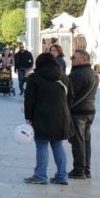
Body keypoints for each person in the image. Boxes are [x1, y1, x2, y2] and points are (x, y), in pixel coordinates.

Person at [24, 52, 74, 185]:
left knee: (41, 145)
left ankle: (40, 176)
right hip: (62, 116)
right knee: (58, 145)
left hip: (41, 116)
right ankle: (62, 176)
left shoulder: (34, 78)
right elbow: (70, 98)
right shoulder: (64, 77)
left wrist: (28, 117)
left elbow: (29, 100)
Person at [68, 49, 99, 179]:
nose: (71, 59)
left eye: (74, 57)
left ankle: (79, 170)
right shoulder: (92, 73)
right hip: (89, 110)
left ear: (84, 59)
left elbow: (71, 94)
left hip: (78, 112)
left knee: (78, 141)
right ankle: (86, 169)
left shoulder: (78, 74)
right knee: (85, 140)